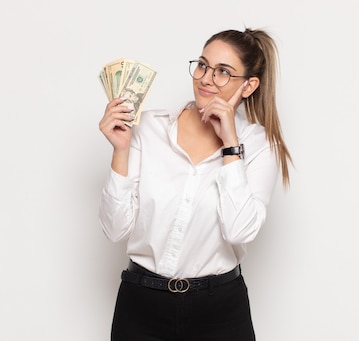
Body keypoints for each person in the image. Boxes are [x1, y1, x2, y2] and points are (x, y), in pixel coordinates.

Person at [98, 27, 292, 341]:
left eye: (223, 72)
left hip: (220, 311)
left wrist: (231, 146)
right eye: (202, 65)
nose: (205, 78)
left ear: (249, 85)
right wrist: (120, 150)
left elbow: (240, 231)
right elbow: (114, 229)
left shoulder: (258, 146)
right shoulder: (149, 128)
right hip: (142, 304)